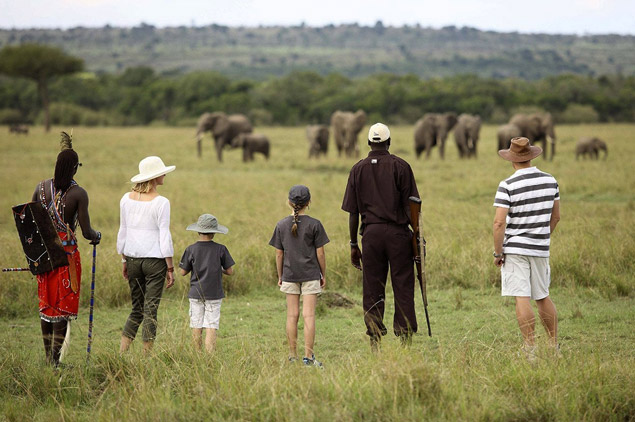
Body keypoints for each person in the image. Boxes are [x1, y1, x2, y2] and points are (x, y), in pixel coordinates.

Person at [341, 123, 420, 350]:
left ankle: (375, 339)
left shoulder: (357, 169)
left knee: (372, 287)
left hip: (371, 235)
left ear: (368, 143)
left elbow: (353, 212)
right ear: (389, 142)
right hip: (398, 235)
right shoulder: (401, 166)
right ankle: (405, 339)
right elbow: (414, 207)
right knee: (403, 285)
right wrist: (417, 238)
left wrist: (354, 243)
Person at [30, 132, 101, 367]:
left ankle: (49, 358)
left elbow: (30, 222)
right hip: (66, 258)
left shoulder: (40, 188)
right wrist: (97, 236)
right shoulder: (78, 193)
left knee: (47, 306)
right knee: (62, 308)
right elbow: (87, 232)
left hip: (43, 256)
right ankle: (55, 361)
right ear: (74, 169)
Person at [493, 137, 560, 361]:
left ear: (512, 160)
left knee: (522, 297)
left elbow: (499, 223)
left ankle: (530, 349)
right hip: (540, 248)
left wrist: (498, 252)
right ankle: (553, 347)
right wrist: (540, 236)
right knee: (542, 296)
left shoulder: (507, 184)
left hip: (515, 248)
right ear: (531, 156)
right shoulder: (551, 180)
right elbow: (556, 217)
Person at [117, 156, 176, 353]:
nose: (165, 174)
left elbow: (122, 231)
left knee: (136, 309)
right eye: (162, 172)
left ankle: (122, 353)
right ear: (154, 177)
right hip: (155, 262)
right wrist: (170, 266)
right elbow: (164, 235)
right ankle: (146, 357)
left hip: (132, 259)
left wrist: (124, 259)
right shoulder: (161, 202)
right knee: (150, 310)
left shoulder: (126, 199)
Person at [269, 185, 329, 367]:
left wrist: (280, 275)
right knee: (308, 315)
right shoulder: (315, 224)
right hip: (310, 274)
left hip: (289, 274)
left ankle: (292, 356)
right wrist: (323, 274)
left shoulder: (281, 225)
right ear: (309, 202)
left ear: (289, 202)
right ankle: (308, 358)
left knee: (291, 315)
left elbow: (279, 254)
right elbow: (320, 254)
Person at [179, 214, 235, 353]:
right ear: (214, 233)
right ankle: (210, 356)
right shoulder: (221, 249)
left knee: (196, 324)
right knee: (211, 325)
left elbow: (182, 272)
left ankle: (197, 355)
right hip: (214, 293)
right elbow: (230, 271)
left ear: (198, 230)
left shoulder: (190, 249)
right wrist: (218, 269)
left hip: (195, 292)